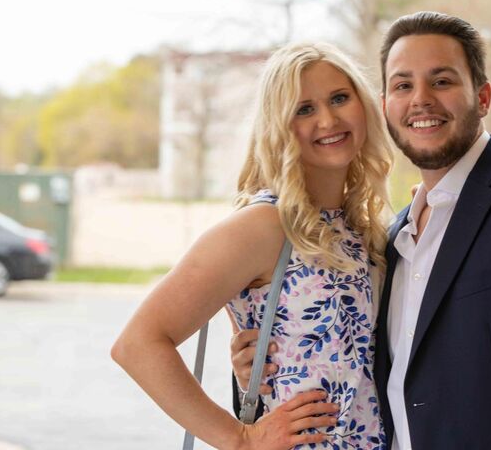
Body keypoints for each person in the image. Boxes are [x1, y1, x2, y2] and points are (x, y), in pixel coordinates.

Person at [232, 11, 491, 449]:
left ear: (482, 97)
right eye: (403, 85)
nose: (420, 99)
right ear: (385, 105)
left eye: (441, 81)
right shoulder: (391, 235)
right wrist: (264, 372)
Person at [111, 42, 393, 450]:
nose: (329, 119)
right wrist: (241, 438)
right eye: (304, 109)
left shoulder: (360, 229)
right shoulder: (265, 225)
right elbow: (138, 344)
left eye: (339, 98)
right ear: (279, 125)